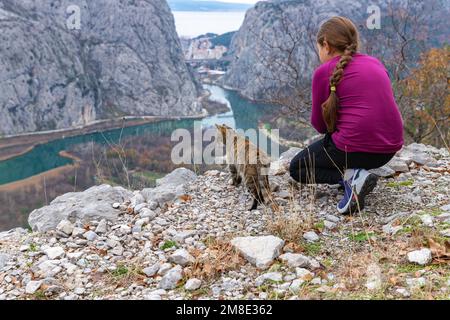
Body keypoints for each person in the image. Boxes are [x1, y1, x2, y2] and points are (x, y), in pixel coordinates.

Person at [289, 16, 404, 214]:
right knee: (343, 144)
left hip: (352, 149)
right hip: (387, 151)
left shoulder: (324, 72)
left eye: (318, 47)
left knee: (297, 168)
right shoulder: (375, 63)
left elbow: (320, 126)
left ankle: (350, 179)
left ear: (325, 44)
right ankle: (357, 175)